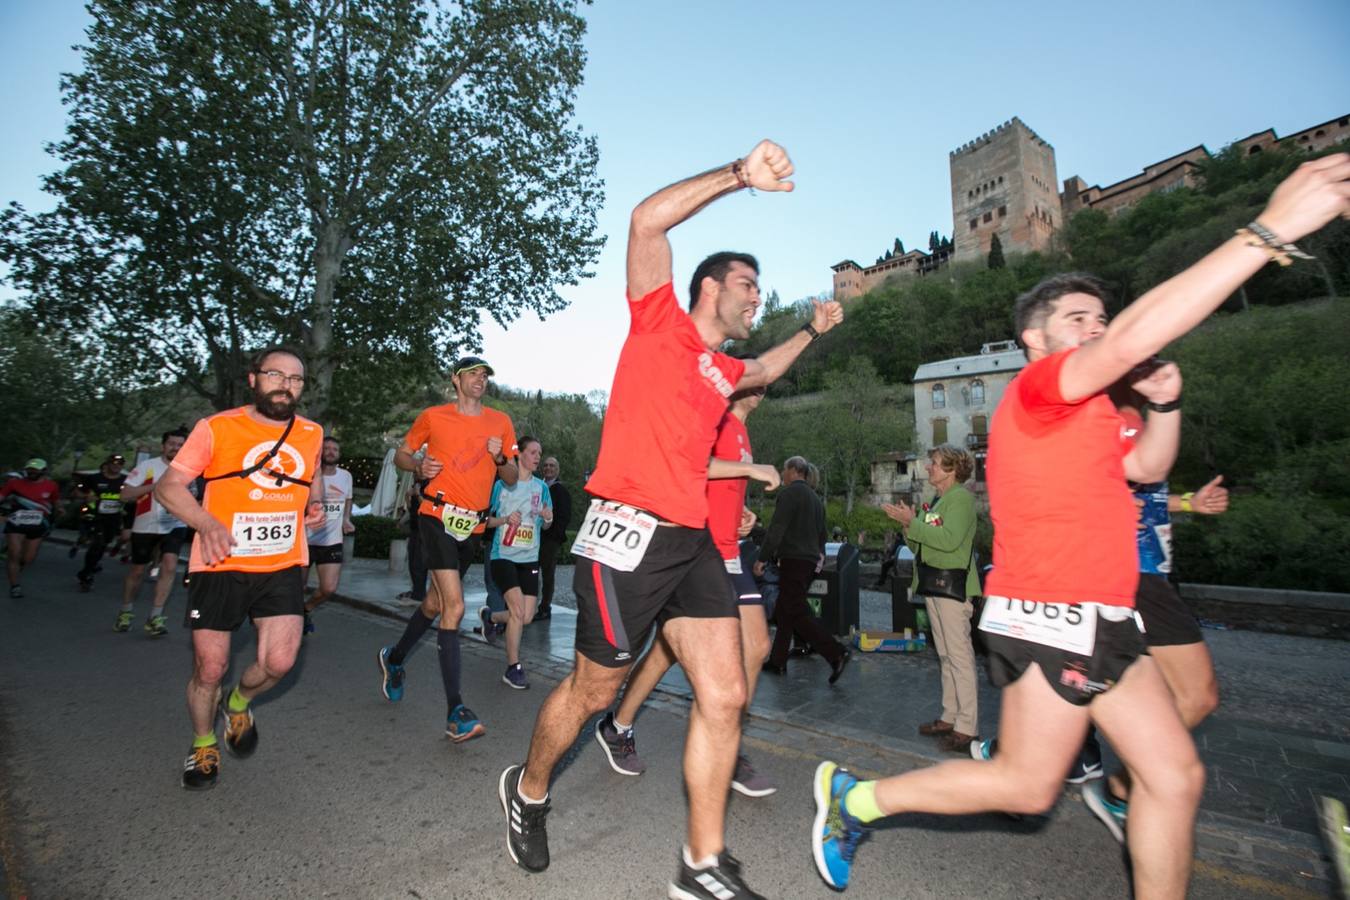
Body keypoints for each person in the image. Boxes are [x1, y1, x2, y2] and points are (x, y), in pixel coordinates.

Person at [811, 155, 1350, 897]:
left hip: (1108, 611)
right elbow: (1126, 344)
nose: (1094, 330)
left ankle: (860, 799)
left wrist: (1165, 404)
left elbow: (1152, 469)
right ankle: (859, 799)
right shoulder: (1037, 388)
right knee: (1026, 786)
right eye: (1077, 321)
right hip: (1048, 611)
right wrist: (1268, 232)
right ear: (1035, 339)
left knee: (1173, 776)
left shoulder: (1100, 414)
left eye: (1100, 319)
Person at [498, 139, 841, 900]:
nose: (757, 297)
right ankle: (527, 790)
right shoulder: (659, 322)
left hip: (690, 542)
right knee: (595, 691)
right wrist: (737, 179)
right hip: (626, 531)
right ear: (708, 287)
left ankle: (701, 863)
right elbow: (645, 222)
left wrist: (814, 333)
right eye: (747, 285)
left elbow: (761, 371)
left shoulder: (722, 370)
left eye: (760, 288)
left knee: (725, 695)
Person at [595, 382, 782, 796]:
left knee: (750, 647)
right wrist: (750, 470)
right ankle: (623, 725)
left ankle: (720, 743)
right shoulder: (716, 420)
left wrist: (742, 511)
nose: (760, 388)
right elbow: (693, 464)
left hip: (728, 547)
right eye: (752, 379)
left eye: (765, 383)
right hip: (699, 549)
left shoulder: (742, 430)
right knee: (670, 649)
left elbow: (721, 484)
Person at [156, 346, 325, 790]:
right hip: (219, 562)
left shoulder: (310, 433)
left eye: (295, 379)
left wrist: (317, 504)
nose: (285, 385)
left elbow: (311, 479)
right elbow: (168, 487)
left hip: (282, 563)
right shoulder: (216, 427)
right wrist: (204, 521)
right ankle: (204, 743)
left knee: (281, 662)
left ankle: (238, 702)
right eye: (275, 375)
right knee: (209, 669)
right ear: (254, 380)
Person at [376, 356, 518, 743]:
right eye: (473, 374)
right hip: (435, 515)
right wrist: (418, 467)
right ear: (456, 380)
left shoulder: (501, 423)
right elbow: (404, 454)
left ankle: (395, 658)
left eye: (485, 374)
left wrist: (500, 456)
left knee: (436, 605)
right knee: (455, 606)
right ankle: (456, 710)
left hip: (471, 524)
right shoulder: (433, 417)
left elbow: (510, 476)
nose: (480, 380)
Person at [883, 445, 982, 753]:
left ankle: (967, 726)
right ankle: (949, 716)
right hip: (935, 585)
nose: (928, 468)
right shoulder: (936, 501)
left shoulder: (961, 499)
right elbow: (919, 549)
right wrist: (907, 524)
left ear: (952, 469)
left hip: (954, 588)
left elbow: (950, 541)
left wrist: (915, 523)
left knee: (960, 657)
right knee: (945, 655)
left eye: (935, 463)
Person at [757, 456, 851, 681]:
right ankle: (777, 661)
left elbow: (776, 529)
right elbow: (823, 535)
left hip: (793, 559)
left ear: (793, 471)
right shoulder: (816, 499)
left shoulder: (789, 494)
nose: (782, 473)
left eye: (784, 469)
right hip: (808, 561)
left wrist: (762, 558)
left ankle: (836, 652)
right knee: (786, 609)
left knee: (794, 610)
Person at [479, 436, 553, 689]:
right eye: (533, 451)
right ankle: (513, 668)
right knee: (518, 612)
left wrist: (548, 516)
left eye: (539, 453)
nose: (537, 457)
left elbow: (548, 523)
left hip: (530, 558)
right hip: (503, 557)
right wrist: (505, 520)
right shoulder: (502, 486)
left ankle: (491, 618)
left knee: (527, 617)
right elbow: (484, 520)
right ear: (519, 455)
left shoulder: (542, 488)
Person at [117, 428, 195, 635]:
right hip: (146, 525)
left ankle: (156, 616)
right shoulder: (147, 467)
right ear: (163, 446)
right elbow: (125, 495)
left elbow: (193, 497)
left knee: (169, 566)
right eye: (172, 444)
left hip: (174, 525)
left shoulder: (190, 470)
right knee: (137, 570)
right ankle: (126, 611)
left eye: (180, 445)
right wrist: (156, 487)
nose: (175, 448)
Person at [302, 436, 355, 634]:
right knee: (298, 587)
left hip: (332, 541)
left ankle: (306, 609)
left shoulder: (346, 476)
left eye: (335, 449)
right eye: (327, 448)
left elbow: (348, 499)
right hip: (305, 540)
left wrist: (346, 518)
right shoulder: (309, 475)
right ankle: (295, 619)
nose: (331, 452)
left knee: (329, 589)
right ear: (320, 452)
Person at [2, 459, 62, 598]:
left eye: (36, 470)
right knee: (14, 553)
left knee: (28, 558)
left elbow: (55, 500)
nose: (32, 472)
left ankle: (19, 566)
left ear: (44, 471)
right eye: (30, 469)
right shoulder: (14, 483)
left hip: (38, 525)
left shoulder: (51, 485)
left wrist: (60, 508)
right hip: (16, 522)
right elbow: (2, 496)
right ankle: (15, 586)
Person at [74, 454, 128, 591]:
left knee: (104, 543)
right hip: (96, 517)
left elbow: (133, 496)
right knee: (97, 543)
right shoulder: (94, 479)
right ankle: (86, 574)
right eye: (114, 463)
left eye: (120, 464)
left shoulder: (125, 480)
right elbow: (77, 492)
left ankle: (92, 565)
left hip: (113, 518)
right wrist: (87, 496)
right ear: (108, 464)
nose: (117, 466)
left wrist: (127, 500)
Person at [535, 455, 571, 620]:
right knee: (532, 572)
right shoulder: (537, 487)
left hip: (550, 540)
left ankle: (545, 606)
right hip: (534, 538)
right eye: (546, 465)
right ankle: (532, 605)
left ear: (557, 470)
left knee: (548, 574)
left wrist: (554, 537)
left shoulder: (561, 490)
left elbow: (564, 517)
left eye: (552, 466)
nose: (548, 468)